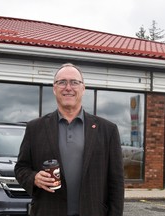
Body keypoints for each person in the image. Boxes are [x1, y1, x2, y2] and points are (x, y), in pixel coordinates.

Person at [15, 63, 124, 216]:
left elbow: (116, 183)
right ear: (54, 89)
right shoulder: (35, 128)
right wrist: (34, 178)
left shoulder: (108, 130)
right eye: (62, 82)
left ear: (83, 88)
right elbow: (21, 168)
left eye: (74, 82)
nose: (68, 87)